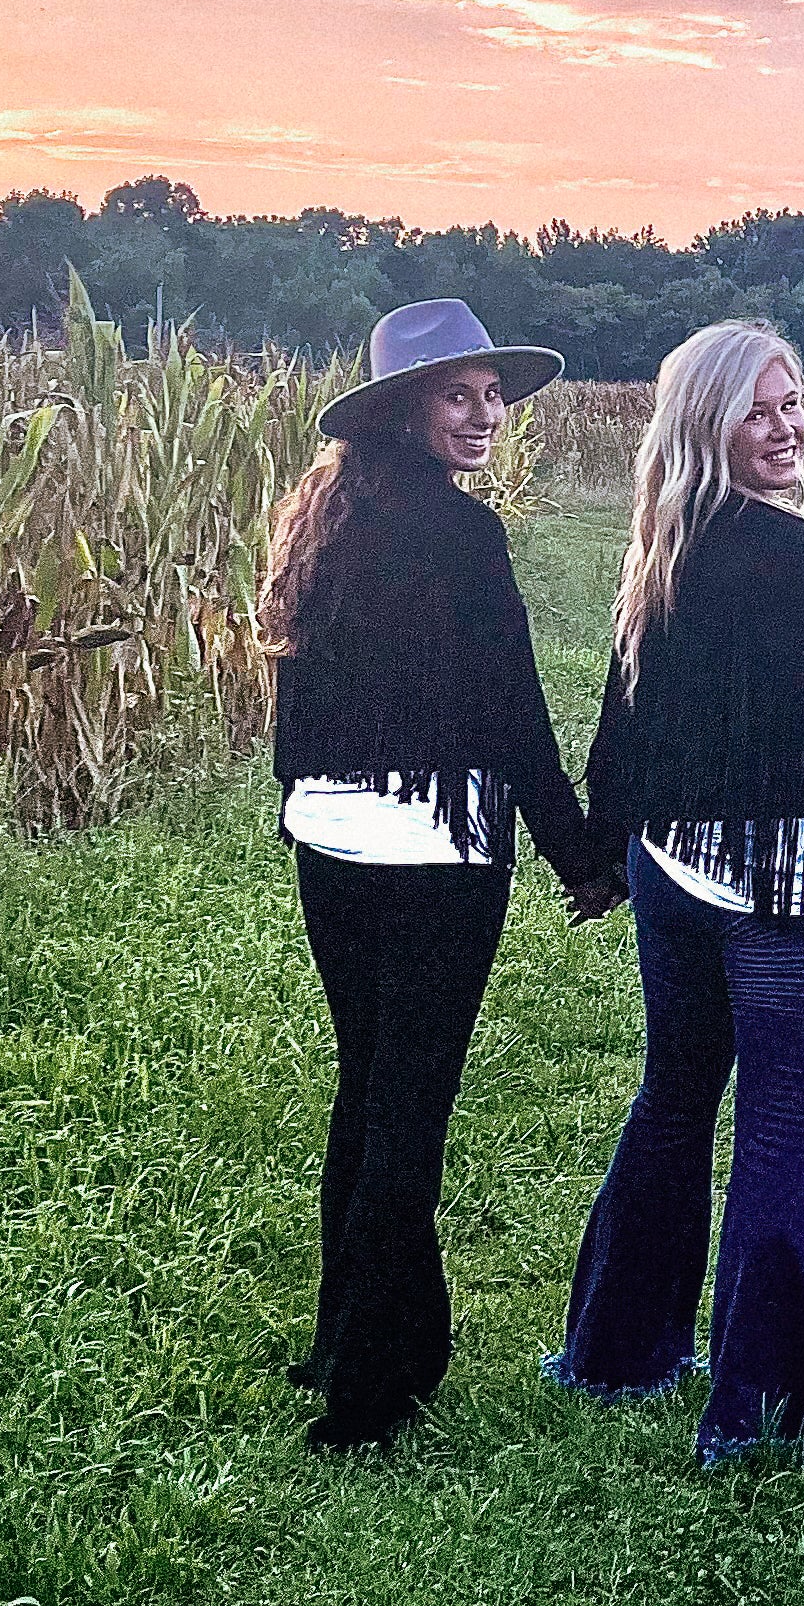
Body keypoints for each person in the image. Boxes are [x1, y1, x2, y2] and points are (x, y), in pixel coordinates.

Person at [546, 323, 804, 1466]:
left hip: (674, 877)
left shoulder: (669, 541)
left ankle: (618, 1349)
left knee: (672, 1098)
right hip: (786, 897)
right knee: (773, 1131)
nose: (787, 427)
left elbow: (626, 714)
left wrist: (604, 844)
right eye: (759, 410)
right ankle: (759, 1417)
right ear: (705, 422)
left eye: (795, 403)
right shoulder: (778, 553)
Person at [264, 297, 591, 1454]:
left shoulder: (326, 526)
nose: (487, 414)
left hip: (331, 841)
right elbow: (513, 716)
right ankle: (369, 1388)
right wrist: (581, 854)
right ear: (405, 409)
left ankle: (346, 1330)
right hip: (436, 852)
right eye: (460, 394)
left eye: (493, 394)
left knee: (366, 1085)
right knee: (410, 1107)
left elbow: (294, 704)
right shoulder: (463, 538)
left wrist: (303, 811)